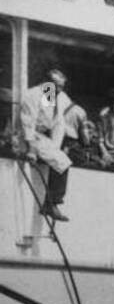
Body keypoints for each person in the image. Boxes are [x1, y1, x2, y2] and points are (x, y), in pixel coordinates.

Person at [19, 68, 73, 220]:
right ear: (47, 83)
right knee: (63, 162)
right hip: (26, 135)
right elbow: (27, 122)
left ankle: (50, 204)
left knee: (60, 159)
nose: (60, 90)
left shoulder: (56, 96)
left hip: (42, 137)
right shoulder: (33, 94)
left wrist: (55, 149)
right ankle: (51, 204)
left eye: (62, 86)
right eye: (57, 86)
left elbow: (58, 124)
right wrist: (31, 150)